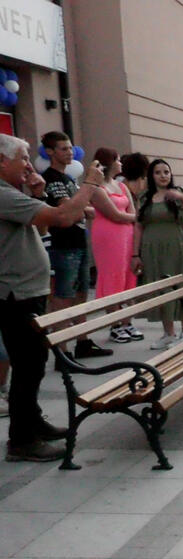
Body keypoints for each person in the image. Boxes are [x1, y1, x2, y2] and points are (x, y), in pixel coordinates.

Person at [0, 133, 104, 461]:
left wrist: (37, 194)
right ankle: (22, 440)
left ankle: (32, 424)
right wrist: (89, 184)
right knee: (28, 365)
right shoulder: (2, 195)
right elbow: (61, 218)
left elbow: (43, 230)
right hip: (14, 294)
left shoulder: (13, 193)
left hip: (26, 291)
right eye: (23, 158)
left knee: (32, 363)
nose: (30, 165)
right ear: (2, 161)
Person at [41, 131, 113, 360]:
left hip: (79, 241)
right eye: (63, 149)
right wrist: (83, 208)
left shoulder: (68, 178)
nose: (69, 152)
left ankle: (83, 342)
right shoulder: (51, 178)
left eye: (70, 148)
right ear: (50, 152)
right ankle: (62, 350)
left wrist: (82, 209)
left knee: (82, 293)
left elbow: (82, 208)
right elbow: (69, 208)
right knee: (62, 296)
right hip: (63, 245)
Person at [133, 159, 183, 350]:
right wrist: (135, 254)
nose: (163, 175)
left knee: (178, 286)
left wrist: (180, 197)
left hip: (174, 246)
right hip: (150, 248)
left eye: (166, 172)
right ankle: (168, 332)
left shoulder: (180, 192)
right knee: (159, 288)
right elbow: (138, 225)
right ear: (152, 176)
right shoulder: (145, 196)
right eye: (158, 172)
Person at [89, 147, 141, 343]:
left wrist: (134, 218)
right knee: (112, 276)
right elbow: (115, 215)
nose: (120, 163)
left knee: (128, 276)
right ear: (109, 162)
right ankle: (115, 324)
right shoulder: (97, 188)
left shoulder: (122, 186)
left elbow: (131, 209)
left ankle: (127, 321)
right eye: (118, 160)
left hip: (126, 236)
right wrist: (136, 218)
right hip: (108, 236)